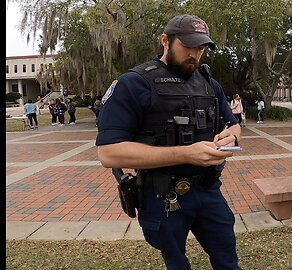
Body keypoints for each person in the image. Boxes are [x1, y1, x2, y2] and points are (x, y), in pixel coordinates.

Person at [95, 14, 242, 269]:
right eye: (187, 46)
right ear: (165, 41)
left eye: (201, 48)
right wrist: (186, 154)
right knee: (175, 262)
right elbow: (108, 153)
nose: (194, 54)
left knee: (227, 257)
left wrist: (232, 136)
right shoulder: (134, 83)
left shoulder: (209, 83)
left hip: (208, 190)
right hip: (162, 196)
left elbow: (235, 124)